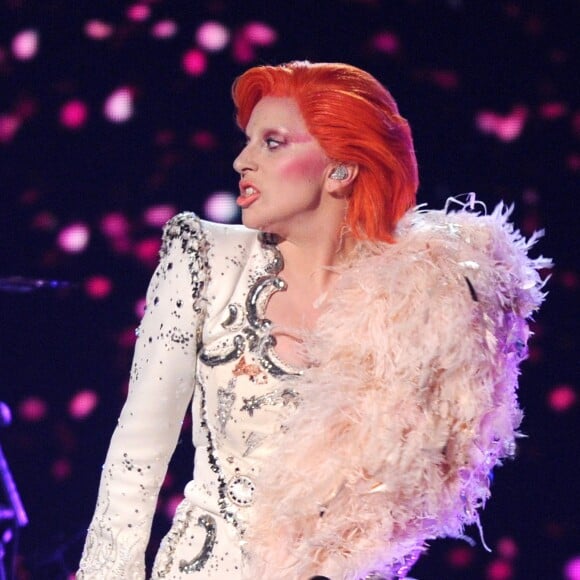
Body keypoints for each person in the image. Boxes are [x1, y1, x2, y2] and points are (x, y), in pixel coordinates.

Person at [77, 61, 549, 580]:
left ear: (340, 168)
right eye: (248, 141)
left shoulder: (417, 302)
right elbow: (135, 459)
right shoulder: (205, 261)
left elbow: (424, 480)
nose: (241, 160)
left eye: (272, 142)